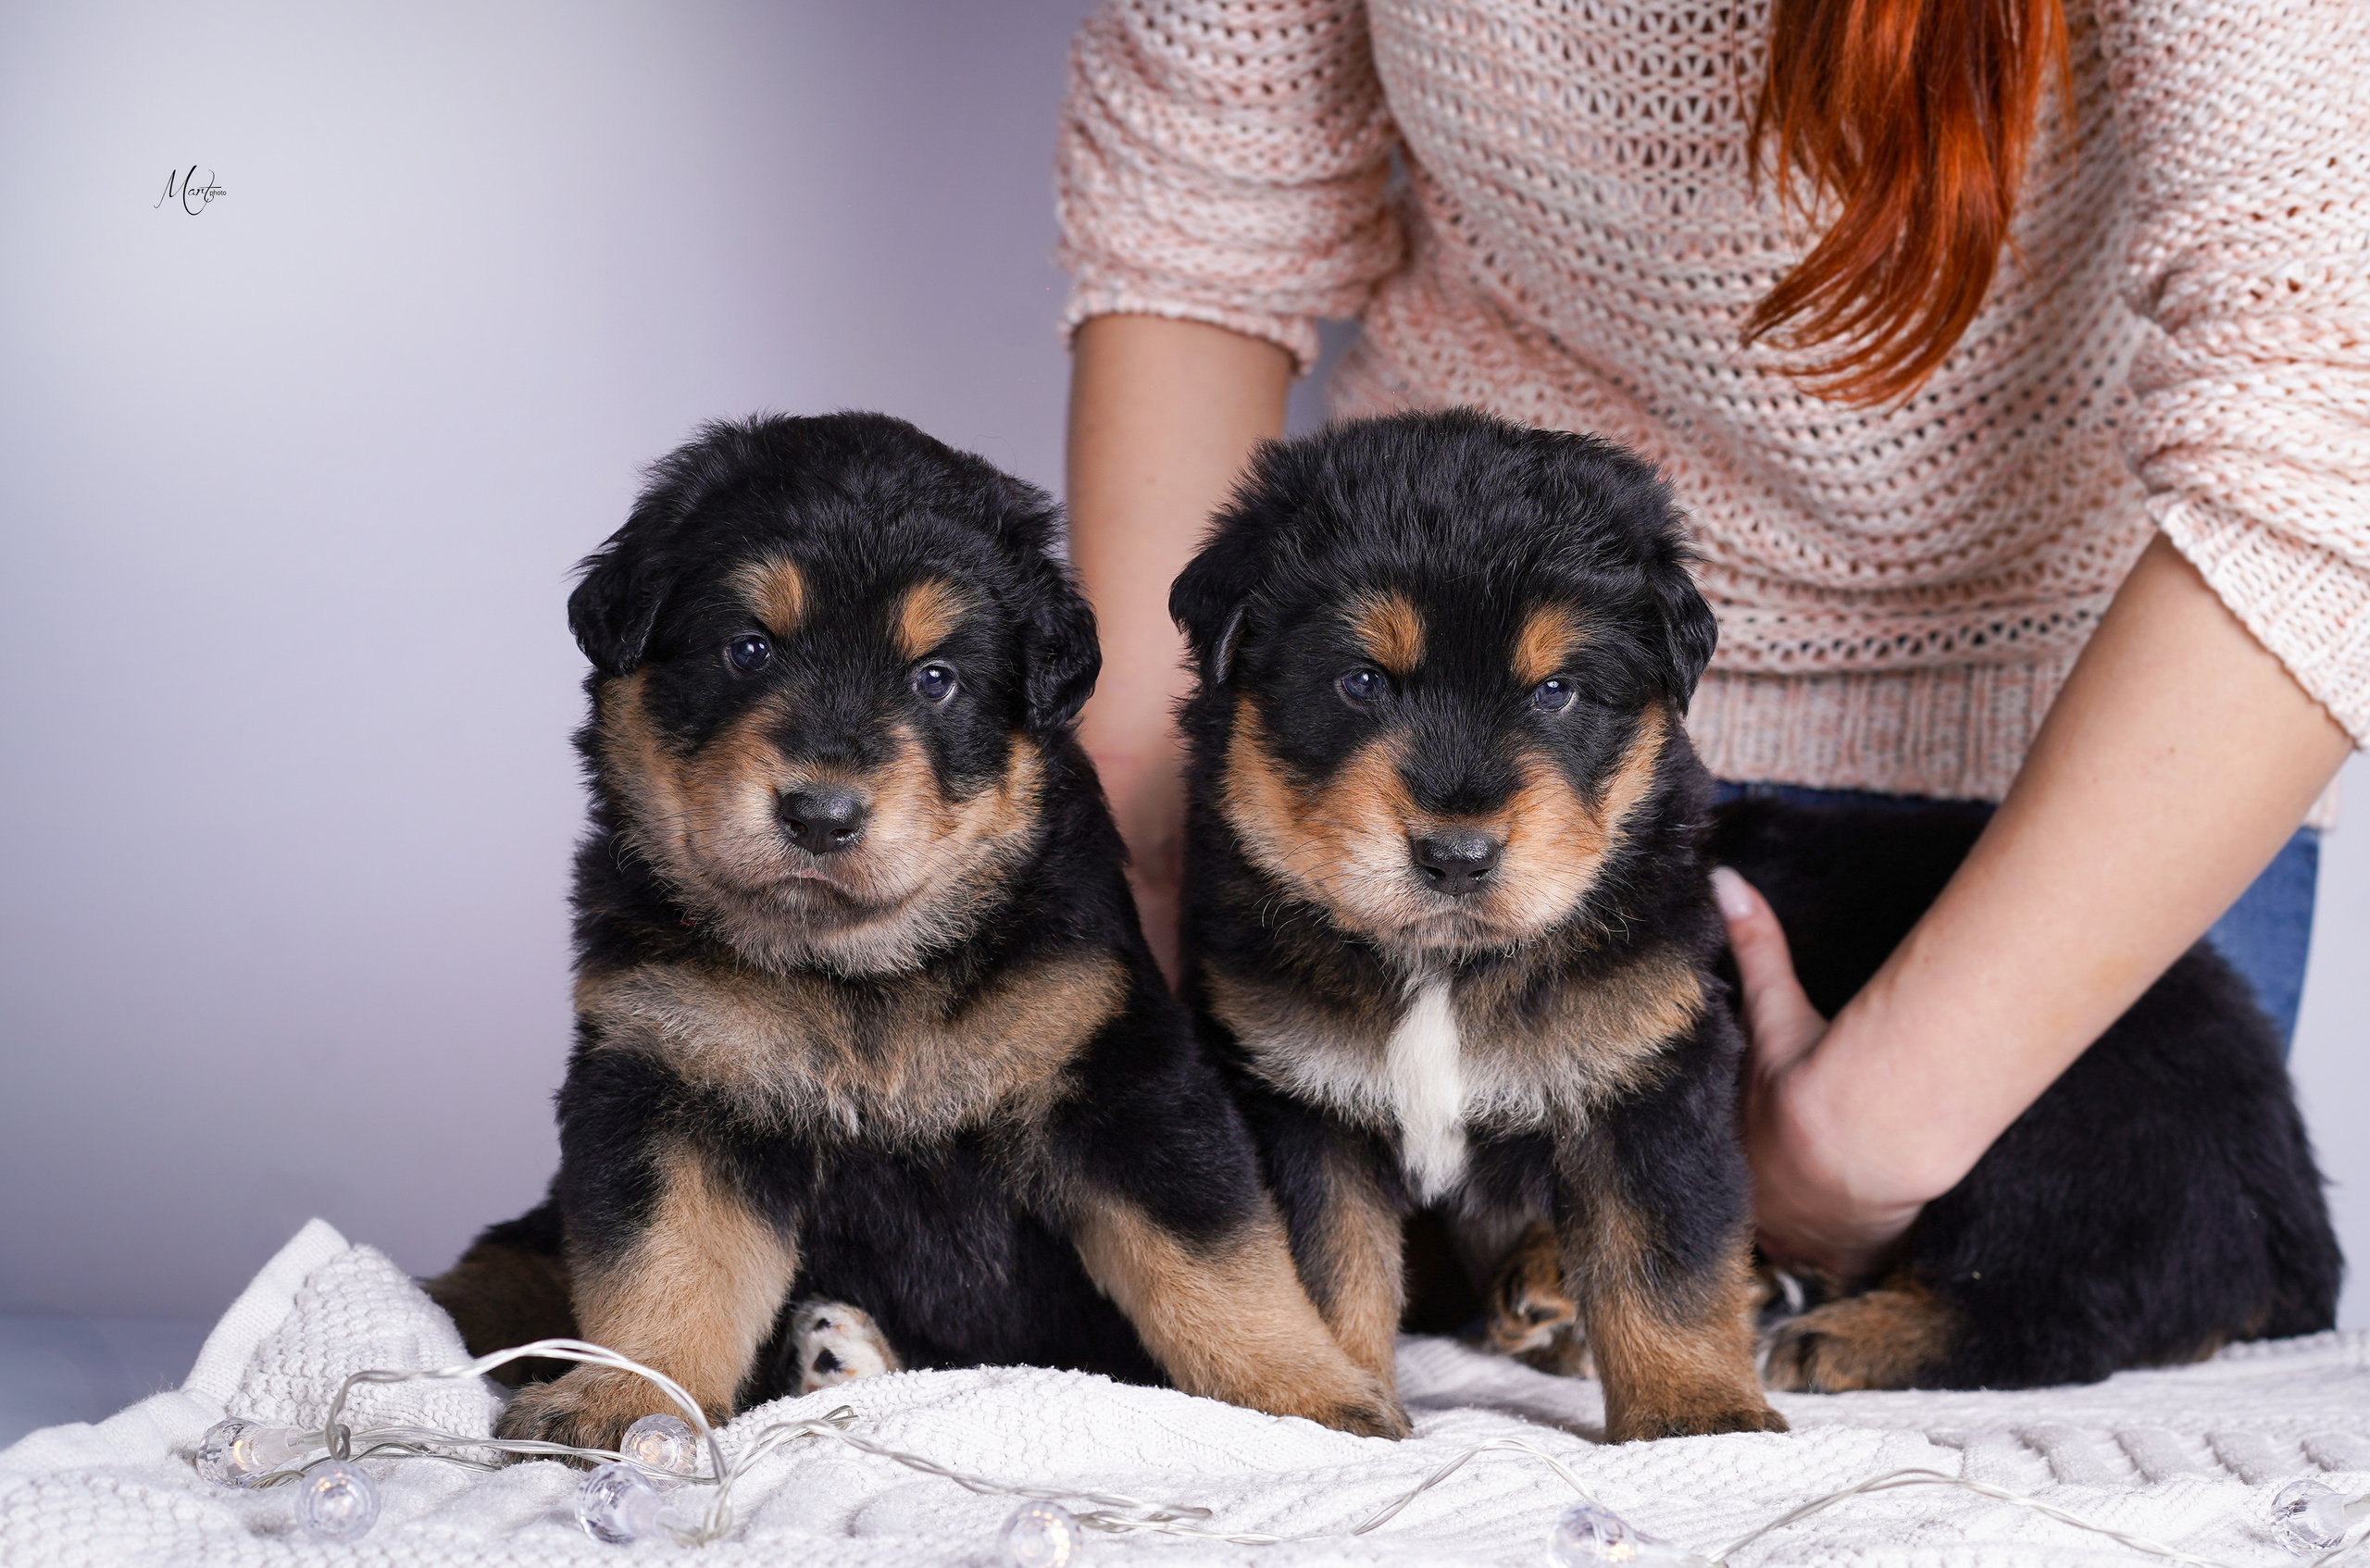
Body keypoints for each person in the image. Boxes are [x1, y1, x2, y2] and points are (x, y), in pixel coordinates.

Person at [1050, 0, 2366, 1283]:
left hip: (2070, 822)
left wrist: (1869, 1130)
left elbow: (2327, 406)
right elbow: (1202, 213)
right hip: (1386, 744)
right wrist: (1153, 829)